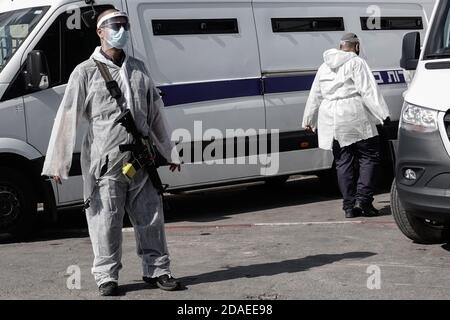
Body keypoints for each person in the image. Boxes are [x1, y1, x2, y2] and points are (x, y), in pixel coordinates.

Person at [42, 8, 182, 296]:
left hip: (141, 159)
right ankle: (107, 277)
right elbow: (67, 117)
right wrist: (58, 163)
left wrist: (170, 151)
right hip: (105, 164)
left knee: (150, 217)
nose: (121, 30)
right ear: (100, 32)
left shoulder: (140, 69)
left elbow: (156, 114)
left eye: (124, 24)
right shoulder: (85, 72)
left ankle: (157, 270)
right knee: (105, 220)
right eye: (114, 25)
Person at [301, 33, 390, 219]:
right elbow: (368, 90)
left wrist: (308, 119)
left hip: (330, 117)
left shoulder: (324, 66)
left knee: (343, 161)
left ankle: (349, 206)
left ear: (341, 46)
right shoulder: (356, 62)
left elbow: (315, 94)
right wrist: (383, 114)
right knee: (369, 156)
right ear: (356, 46)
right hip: (353, 113)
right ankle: (363, 201)